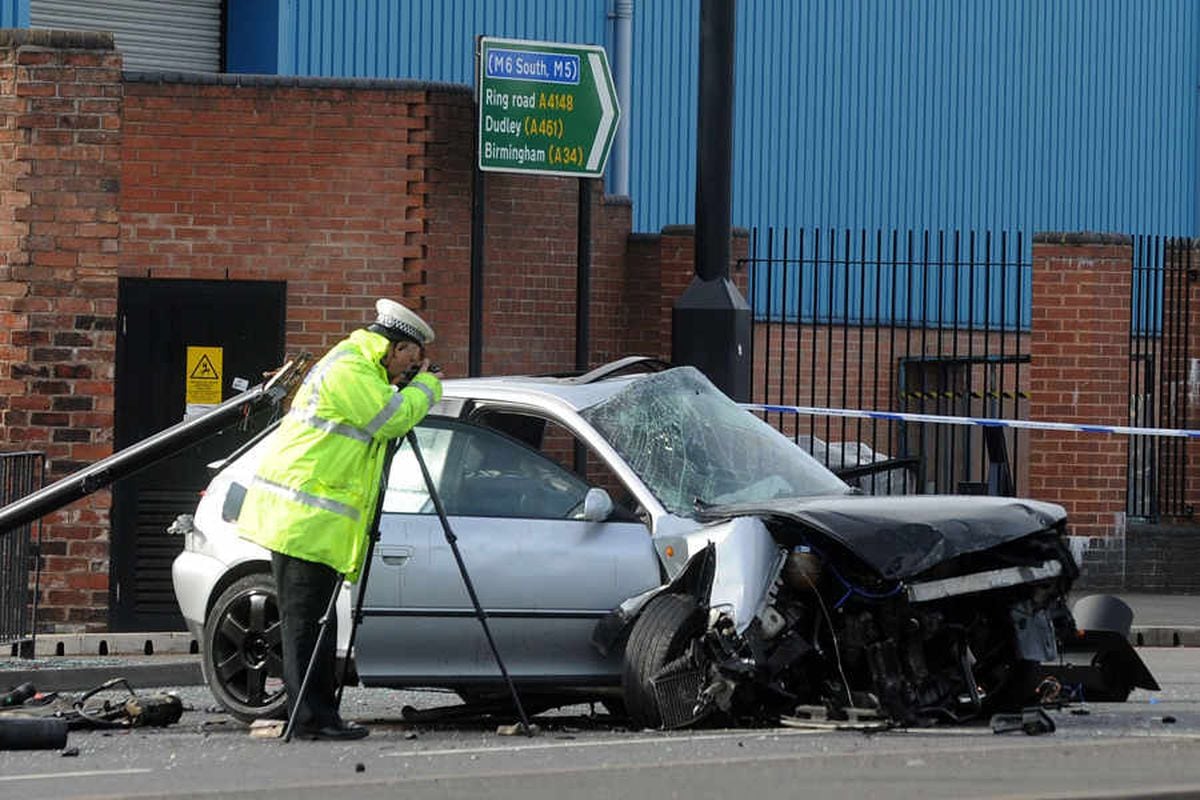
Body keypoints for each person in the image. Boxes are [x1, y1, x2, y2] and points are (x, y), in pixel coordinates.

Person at [237, 298, 443, 741]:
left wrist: (410, 387)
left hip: (316, 523)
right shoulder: (349, 369)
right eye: (412, 358)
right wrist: (428, 388)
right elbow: (388, 422)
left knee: (314, 622)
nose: (411, 368)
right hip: (302, 519)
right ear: (396, 346)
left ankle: (318, 715)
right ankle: (311, 718)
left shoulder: (363, 370)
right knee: (305, 624)